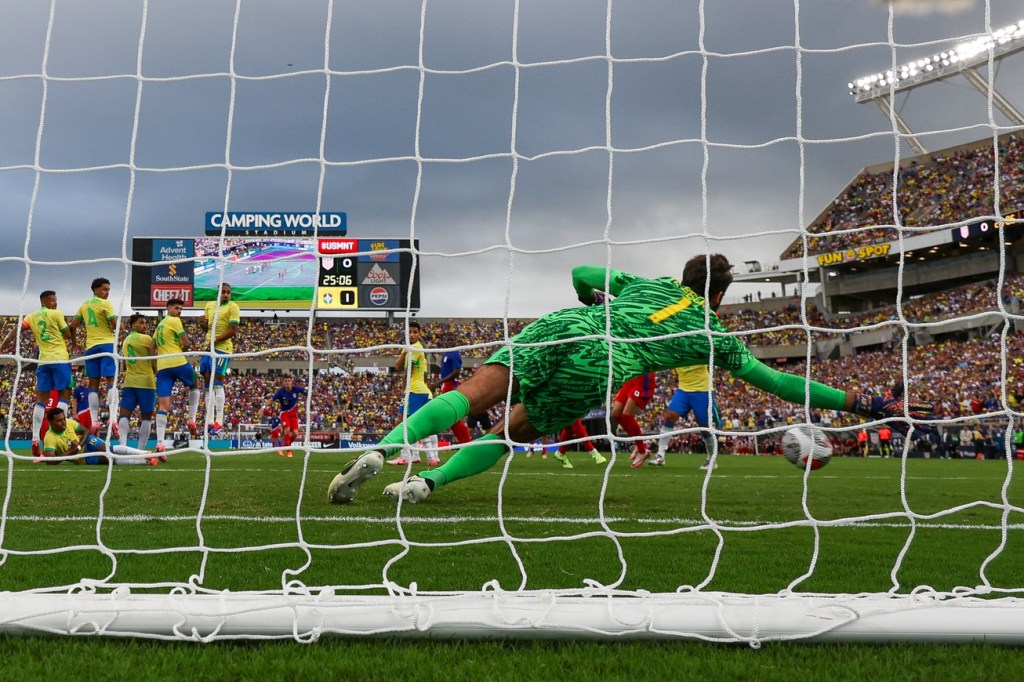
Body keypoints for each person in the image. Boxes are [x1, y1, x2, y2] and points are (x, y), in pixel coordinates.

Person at [328, 254, 933, 505]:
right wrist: (858, 401)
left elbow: (582, 269)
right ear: (718, 295)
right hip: (604, 362)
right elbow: (776, 384)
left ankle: (383, 451)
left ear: (684, 276)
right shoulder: (712, 334)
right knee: (511, 434)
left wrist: (589, 302)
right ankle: (427, 486)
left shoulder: (649, 284)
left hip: (568, 324)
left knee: (465, 396)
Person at [1, 290, 74, 458]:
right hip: (60, 359)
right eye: (53, 300)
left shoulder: (31, 316)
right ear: (45, 301)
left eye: (56, 299)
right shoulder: (56, 313)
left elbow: (16, 330)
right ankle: (59, 434)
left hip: (42, 362)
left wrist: (3, 346)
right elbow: (68, 335)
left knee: (41, 400)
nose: (55, 302)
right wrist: (69, 328)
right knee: (64, 395)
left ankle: (35, 439)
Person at [384, 321, 439, 467]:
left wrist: (403, 352)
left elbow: (400, 367)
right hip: (420, 390)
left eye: (415, 332)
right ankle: (430, 457)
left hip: (415, 391)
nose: (412, 334)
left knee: (401, 422)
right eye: (410, 332)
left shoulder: (414, 349)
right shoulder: (414, 349)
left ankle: (405, 456)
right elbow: (406, 370)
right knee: (420, 424)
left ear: (420, 334)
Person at [69, 277, 119, 436]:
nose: (107, 293)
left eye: (109, 290)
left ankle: (95, 421)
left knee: (93, 384)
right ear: (95, 289)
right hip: (106, 345)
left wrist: (75, 342)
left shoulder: (84, 305)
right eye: (105, 289)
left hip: (90, 347)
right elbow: (114, 324)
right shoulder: (105, 304)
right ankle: (112, 418)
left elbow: (73, 326)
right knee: (111, 380)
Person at [647, 365, 722, 470]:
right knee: (669, 417)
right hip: (684, 390)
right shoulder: (676, 350)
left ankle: (711, 460)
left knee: (704, 427)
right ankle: (660, 456)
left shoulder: (699, 348)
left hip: (703, 390)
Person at [154, 298, 202, 454]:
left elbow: (151, 346)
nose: (179, 311)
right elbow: (186, 342)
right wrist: (182, 348)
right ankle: (192, 419)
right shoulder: (175, 321)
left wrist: (155, 365)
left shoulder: (159, 325)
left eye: (181, 309)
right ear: (168, 308)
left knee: (163, 405)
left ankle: (160, 443)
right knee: (195, 385)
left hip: (162, 367)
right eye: (176, 308)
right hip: (177, 361)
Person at [40, 407, 157, 466]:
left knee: (109, 450)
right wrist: (72, 451)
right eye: (59, 421)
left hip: (87, 443)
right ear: (51, 423)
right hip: (83, 460)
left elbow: (85, 431)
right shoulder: (49, 437)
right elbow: (50, 461)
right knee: (109, 460)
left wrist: (79, 446)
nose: (63, 423)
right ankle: (145, 461)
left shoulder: (69, 422)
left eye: (63, 419)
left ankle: (144, 454)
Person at [200, 283, 240, 436]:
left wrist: (216, 340)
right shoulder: (209, 305)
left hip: (222, 349)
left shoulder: (233, 307)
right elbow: (207, 329)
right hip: (207, 347)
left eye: (228, 292)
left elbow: (233, 331)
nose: (226, 295)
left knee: (217, 381)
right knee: (207, 381)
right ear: (217, 293)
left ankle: (219, 421)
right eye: (223, 292)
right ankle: (209, 421)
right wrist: (202, 324)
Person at [118, 313, 157, 452]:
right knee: (146, 417)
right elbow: (155, 355)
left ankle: (122, 446)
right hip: (146, 382)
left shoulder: (126, 340)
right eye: (141, 323)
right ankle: (141, 450)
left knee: (124, 414)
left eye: (145, 323)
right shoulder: (146, 339)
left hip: (129, 382)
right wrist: (156, 369)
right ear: (133, 325)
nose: (144, 325)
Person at [432, 332, 472, 445]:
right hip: (446, 384)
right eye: (448, 340)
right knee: (452, 418)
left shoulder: (454, 353)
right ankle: (464, 442)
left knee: (453, 416)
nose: (449, 342)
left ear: (455, 342)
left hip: (451, 385)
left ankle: (466, 442)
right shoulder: (446, 353)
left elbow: (456, 372)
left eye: (451, 340)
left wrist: (439, 382)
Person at [611, 373, 656, 468]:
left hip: (643, 378)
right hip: (631, 377)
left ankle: (642, 451)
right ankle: (641, 445)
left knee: (627, 415)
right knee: (616, 413)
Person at [271, 375, 307, 458]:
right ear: (283, 383)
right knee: (286, 430)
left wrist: (312, 393)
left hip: (294, 415)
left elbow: (306, 391)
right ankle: (289, 451)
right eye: (285, 381)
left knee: (295, 433)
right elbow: (271, 400)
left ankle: (283, 447)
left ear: (291, 382)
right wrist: (263, 408)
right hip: (284, 413)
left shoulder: (296, 389)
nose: (287, 382)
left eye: (289, 380)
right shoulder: (280, 392)